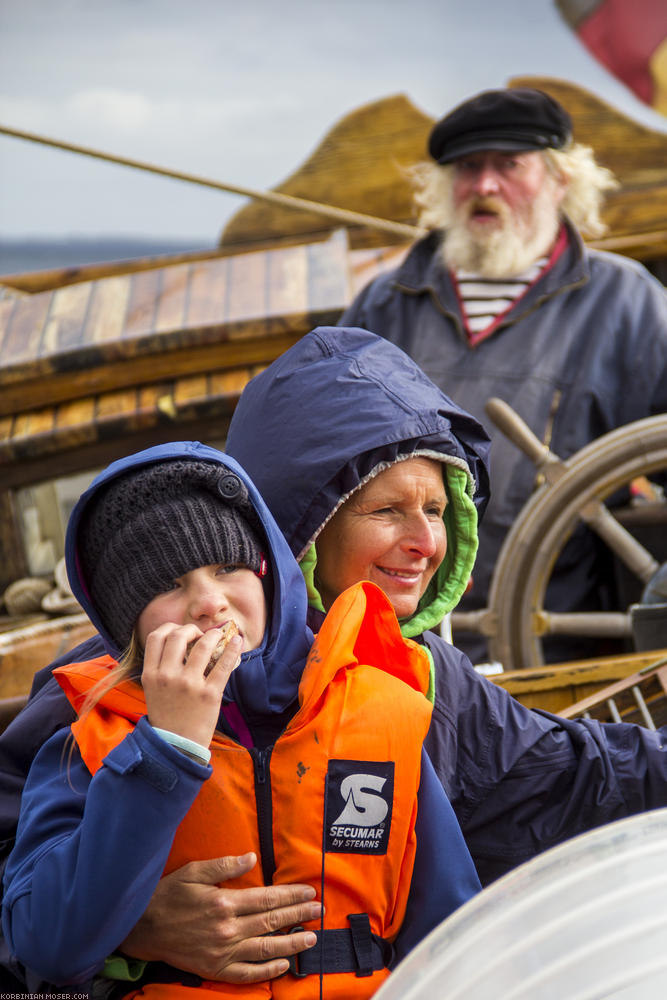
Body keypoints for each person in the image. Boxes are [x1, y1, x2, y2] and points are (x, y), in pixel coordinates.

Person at [2, 327, 667, 989]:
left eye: (437, 510)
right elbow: (29, 921)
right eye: (386, 511)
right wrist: (133, 931)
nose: (424, 542)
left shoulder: (417, 682)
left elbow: (573, 783)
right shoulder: (95, 703)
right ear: (302, 527)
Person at [1, 441, 481, 995]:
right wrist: (166, 748)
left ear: (268, 574)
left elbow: (453, 929)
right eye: (167, 584)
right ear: (125, 626)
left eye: (228, 567)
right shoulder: (85, 745)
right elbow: (48, 948)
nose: (209, 602)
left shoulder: (382, 710)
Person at [339, 86, 667, 663]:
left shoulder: (629, 304)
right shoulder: (387, 303)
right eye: (469, 168)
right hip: (392, 645)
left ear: (562, 180)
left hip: (557, 642)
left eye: (509, 165)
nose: (485, 185)